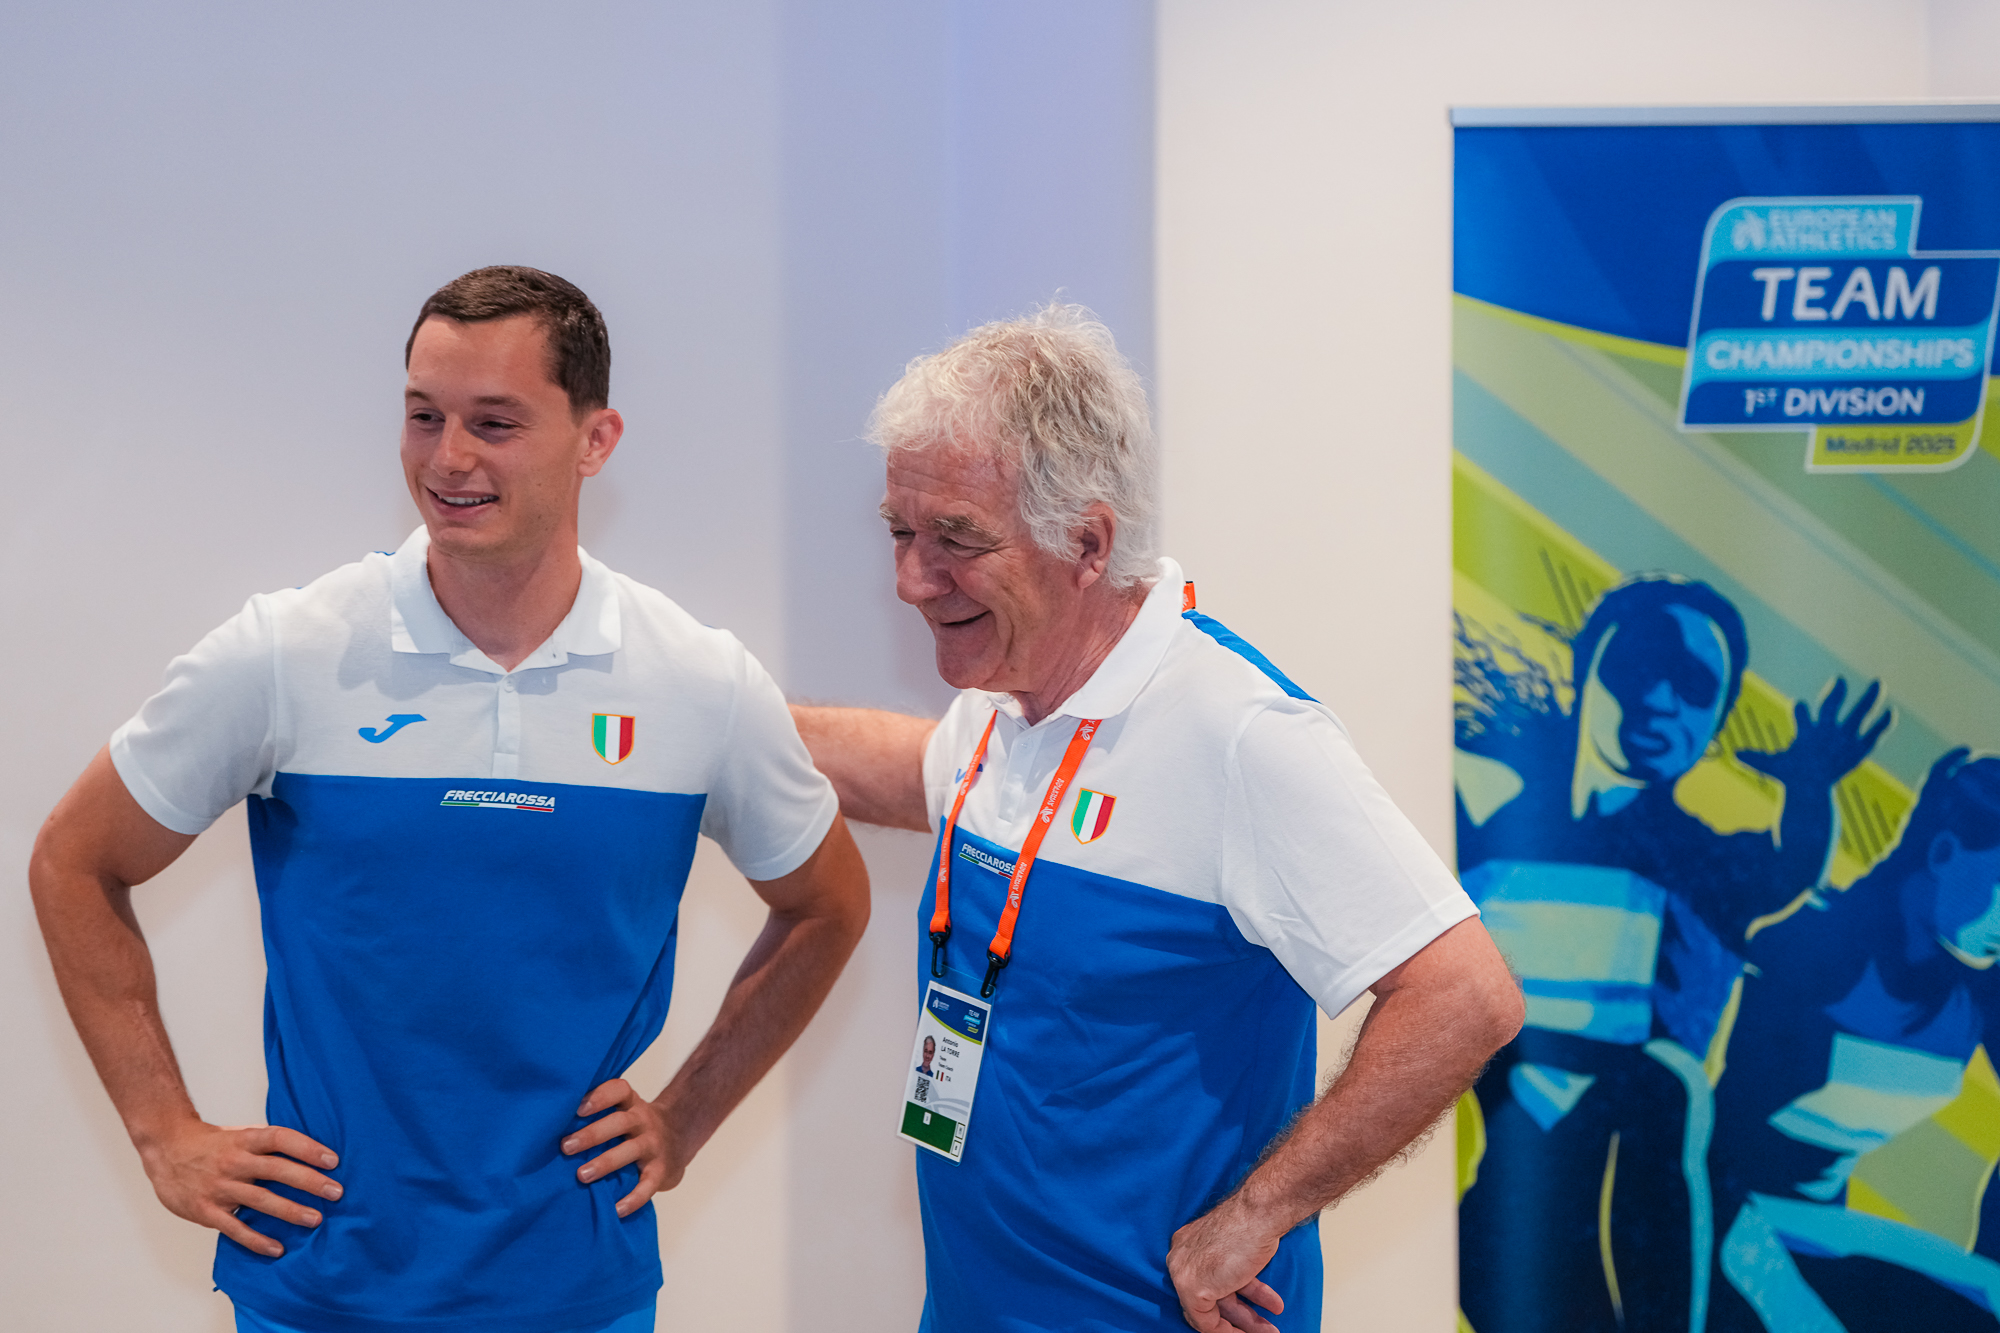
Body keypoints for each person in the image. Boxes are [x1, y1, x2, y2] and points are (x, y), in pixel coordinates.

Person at [28, 266, 870, 1333]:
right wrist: (164, 1131)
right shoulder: (287, 653)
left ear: (596, 439)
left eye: (494, 422)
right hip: (320, 1287)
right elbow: (74, 859)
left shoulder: (698, 682)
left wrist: (687, 1114)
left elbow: (828, 902)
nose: (447, 457)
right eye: (424, 415)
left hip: (578, 1290)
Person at [791, 304, 1523, 1332]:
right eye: (901, 532)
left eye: (956, 539)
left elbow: (1465, 994)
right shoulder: (1008, 698)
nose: (912, 580)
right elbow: (920, 771)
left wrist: (1258, 1213)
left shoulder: (1239, 732)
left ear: (1087, 542)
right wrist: (729, 722)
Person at [1453, 577, 1889, 1333]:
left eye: (1693, 686)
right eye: (1640, 664)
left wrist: (1811, 786)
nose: (1659, 700)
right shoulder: (1488, 830)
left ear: (1716, 720)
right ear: (1590, 664)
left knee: (1662, 1083)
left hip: (1644, 1201)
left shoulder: (1700, 866)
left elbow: (1787, 867)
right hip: (1515, 1207)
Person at [1708, 748, 2000, 1331]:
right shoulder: (1822, 943)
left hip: (1817, 1230)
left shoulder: (1977, 993)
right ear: (1943, 853)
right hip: (1718, 1212)